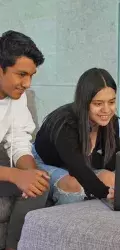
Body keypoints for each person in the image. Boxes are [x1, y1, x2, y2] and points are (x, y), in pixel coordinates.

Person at [33, 68, 120, 205]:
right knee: (74, 184)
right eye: (98, 103)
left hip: (73, 164)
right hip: (43, 162)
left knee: (110, 178)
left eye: (111, 102)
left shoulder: (111, 121)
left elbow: (111, 164)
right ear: (84, 102)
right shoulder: (66, 122)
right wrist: (103, 191)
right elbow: (76, 167)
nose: (106, 110)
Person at [0, 30, 49, 250]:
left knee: (41, 186)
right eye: (21, 74)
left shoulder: (16, 98)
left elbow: (19, 141)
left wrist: (30, 175)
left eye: (31, 75)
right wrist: (15, 175)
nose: (27, 83)